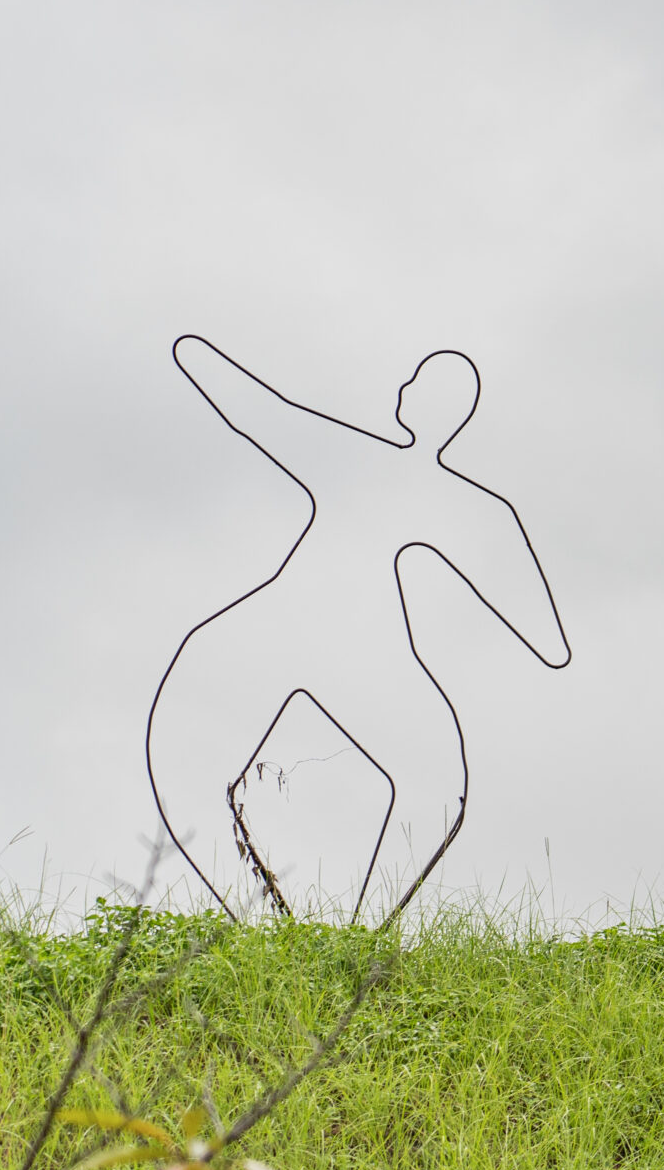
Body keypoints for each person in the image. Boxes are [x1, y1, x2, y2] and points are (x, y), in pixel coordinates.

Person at [146, 336, 569, 924]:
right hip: (353, 644)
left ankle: (292, 931)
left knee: (434, 779)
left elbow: (265, 414)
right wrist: (197, 357)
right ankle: (325, 934)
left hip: (300, 625)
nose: (405, 387)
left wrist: (198, 356)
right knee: (436, 780)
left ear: (428, 407)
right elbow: (548, 639)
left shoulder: (358, 458)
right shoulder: (471, 504)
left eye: (418, 381)